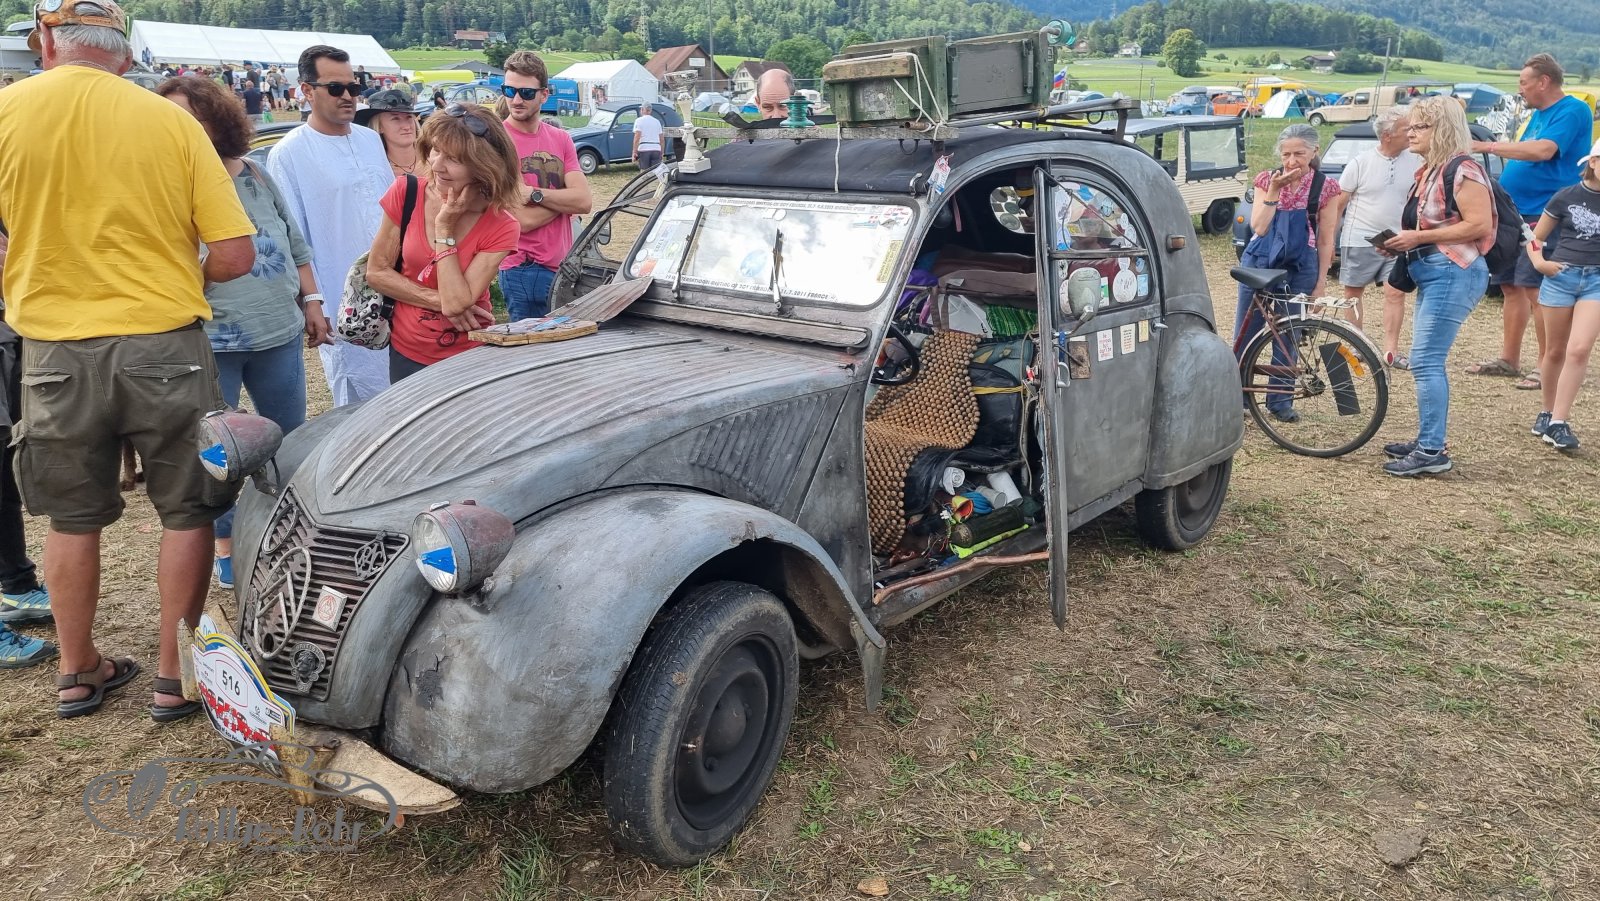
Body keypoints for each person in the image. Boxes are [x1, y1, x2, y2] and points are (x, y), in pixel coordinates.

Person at [0, 0, 256, 718]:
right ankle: (176, 674)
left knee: (70, 519)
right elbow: (234, 254)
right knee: (188, 511)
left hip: (53, 350)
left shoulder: (7, 112)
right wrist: (183, 276)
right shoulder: (171, 120)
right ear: (122, 50)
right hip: (165, 343)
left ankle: (77, 669)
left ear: (47, 40)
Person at [156, 75, 333, 588]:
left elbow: (293, 242)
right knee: (220, 452)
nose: (183, 128)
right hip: (212, 338)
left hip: (277, 329)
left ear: (218, 119)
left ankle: (290, 537)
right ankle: (228, 546)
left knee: (289, 441)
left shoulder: (254, 172)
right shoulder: (165, 181)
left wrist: (313, 300)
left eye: (192, 116)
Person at [266, 44, 395, 406]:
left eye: (353, 87)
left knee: (401, 387)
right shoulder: (289, 154)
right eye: (336, 88)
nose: (348, 96)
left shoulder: (370, 141)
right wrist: (313, 301)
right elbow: (293, 238)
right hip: (339, 294)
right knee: (356, 394)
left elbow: (392, 212)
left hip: (393, 286)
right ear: (307, 91)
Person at [1379, 97, 1497, 477]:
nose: (1410, 133)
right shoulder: (1433, 169)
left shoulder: (1463, 169)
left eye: (1420, 127)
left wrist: (1417, 238)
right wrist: (1402, 242)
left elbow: (1479, 224)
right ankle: (1429, 440)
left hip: (1452, 270)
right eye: (1410, 126)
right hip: (1435, 270)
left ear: (1442, 129)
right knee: (1427, 359)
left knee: (1426, 361)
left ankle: (1431, 450)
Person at [366, 104, 520, 381]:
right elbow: (376, 272)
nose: (436, 165)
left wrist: (444, 227)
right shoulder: (406, 192)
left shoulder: (501, 225)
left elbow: (457, 304)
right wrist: (439, 300)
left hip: (468, 355)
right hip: (407, 351)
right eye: (435, 149)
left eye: (453, 158)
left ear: (484, 165)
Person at [1468, 53, 1592, 390]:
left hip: (1545, 213)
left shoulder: (1572, 110)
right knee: (1511, 285)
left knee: (1538, 288)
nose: (1520, 89)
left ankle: (1546, 365)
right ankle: (1509, 359)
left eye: (1523, 82)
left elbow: (1543, 151)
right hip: (1517, 211)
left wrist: (1486, 146)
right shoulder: (1537, 115)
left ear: (1543, 82)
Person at [1236, 123, 1341, 423]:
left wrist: (1320, 283)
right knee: (1246, 331)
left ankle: (1280, 401)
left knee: (1290, 334)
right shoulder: (1266, 179)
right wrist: (1274, 189)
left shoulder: (1326, 187)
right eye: (1286, 154)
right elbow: (1259, 227)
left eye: (1299, 154)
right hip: (1260, 260)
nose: (1292, 161)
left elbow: (1326, 239)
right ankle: (1237, 397)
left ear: (1314, 151)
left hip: (1301, 264)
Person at [498, 50, 592, 321]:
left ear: (544, 95)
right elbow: (523, 221)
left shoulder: (561, 138)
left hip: (561, 266)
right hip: (523, 268)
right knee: (532, 344)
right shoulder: (496, 142)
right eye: (509, 90)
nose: (516, 100)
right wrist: (564, 201)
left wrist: (534, 194)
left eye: (526, 93)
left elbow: (584, 202)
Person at [1331, 107, 1422, 368]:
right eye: (1406, 129)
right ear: (1387, 136)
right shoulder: (1360, 163)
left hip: (1397, 239)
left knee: (1396, 292)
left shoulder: (1417, 161)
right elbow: (1338, 205)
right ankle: (1357, 345)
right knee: (1353, 292)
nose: (1411, 133)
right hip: (1359, 238)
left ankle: (1390, 352)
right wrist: (1330, 243)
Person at [1525, 138, 1600, 450]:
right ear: (1593, 163)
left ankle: (1558, 421)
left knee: (1579, 349)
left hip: (1596, 281)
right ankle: (1547, 412)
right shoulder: (1566, 196)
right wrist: (1540, 263)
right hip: (1561, 277)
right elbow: (1535, 238)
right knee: (1554, 351)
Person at [356, 87, 423, 177]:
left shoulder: (433, 157)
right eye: (395, 118)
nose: (406, 127)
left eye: (409, 117)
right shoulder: (375, 171)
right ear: (379, 126)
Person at [632, 101, 663, 172]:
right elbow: (661, 139)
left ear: (642, 109)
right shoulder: (657, 122)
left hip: (644, 149)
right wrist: (662, 152)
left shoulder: (639, 121)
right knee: (656, 172)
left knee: (644, 172)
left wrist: (634, 152)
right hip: (656, 148)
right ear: (650, 110)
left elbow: (637, 137)